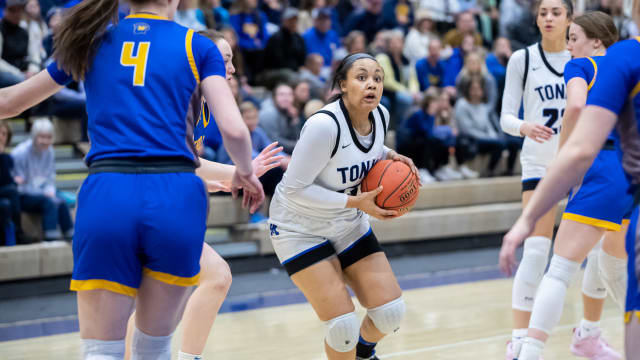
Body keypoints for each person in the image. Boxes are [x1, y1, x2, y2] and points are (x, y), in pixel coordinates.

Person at [0, 0, 265, 357]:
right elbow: (235, 130)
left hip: (109, 191)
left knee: (100, 350)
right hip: (176, 194)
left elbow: (11, 103)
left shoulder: (89, 40)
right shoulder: (198, 45)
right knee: (153, 351)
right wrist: (245, 173)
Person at [268, 53, 418, 360]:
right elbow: (294, 189)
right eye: (361, 77)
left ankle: (364, 354)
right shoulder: (323, 125)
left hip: (346, 222)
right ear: (342, 85)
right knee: (342, 329)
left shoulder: (381, 116)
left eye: (377, 77)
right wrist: (354, 201)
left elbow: (365, 148)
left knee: (390, 313)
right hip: (299, 228)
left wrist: (390, 155)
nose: (371, 84)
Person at [500, 11, 631, 360]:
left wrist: (565, 157)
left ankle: (529, 352)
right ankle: (595, 337)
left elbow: (574, 105)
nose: (569, 45)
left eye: (574, 38)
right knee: (613, 266)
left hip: (599, 167)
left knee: (559, 270)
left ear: (596, 42)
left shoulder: (580, 67)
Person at [498, 0, 573, 358]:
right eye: (543, 12)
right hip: (539, 166)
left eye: (556, 12)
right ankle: (520, 337)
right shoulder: (522, 59)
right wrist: (524, 126)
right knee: (536, 252)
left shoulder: (583, 59)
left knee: (593, 256)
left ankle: (587, 331)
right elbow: (506, 118)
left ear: (570, 18)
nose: (548, 18)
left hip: (579, 166)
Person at [11, 118, 74, 240]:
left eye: (49, 137)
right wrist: (44, 193)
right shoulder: (20, 153)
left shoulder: (49, 151)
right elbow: (20, 184)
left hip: (39, 192)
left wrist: (49, 190)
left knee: (61, 202)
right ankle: (50, 237)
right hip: (22, 195)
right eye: (42, 137)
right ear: (34, 136)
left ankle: (71, 236)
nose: (46, 141)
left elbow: (50, 176)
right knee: (49, 203)